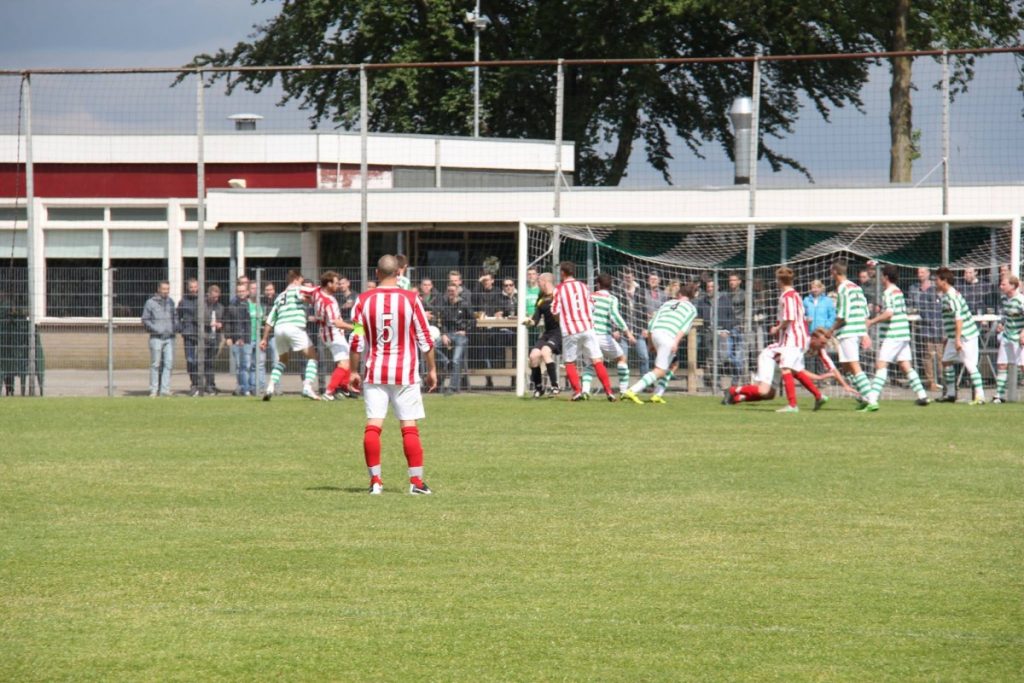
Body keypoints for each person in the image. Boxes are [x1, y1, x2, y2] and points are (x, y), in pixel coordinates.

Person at [349, 254, 438, 495]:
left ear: (376, 274)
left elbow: (356, 339)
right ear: (399, 273)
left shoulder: (363, 300)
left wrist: (353, 371)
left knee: (373, 425)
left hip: (374, 372)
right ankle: (416, 483)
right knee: (408, 426)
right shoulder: (411, 299)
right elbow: (425, 338)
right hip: (405, 373)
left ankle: (375, 481)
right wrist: (432, 369)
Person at [724, 328, 852, 407]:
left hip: (779, 365)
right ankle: (734, 390)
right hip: (770, 358)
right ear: (813, 338)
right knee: (763, 390)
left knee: (769, 395)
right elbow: (799, 373)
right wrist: (819, 379)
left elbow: (833, 369)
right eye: (822, 343)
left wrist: (845, 385)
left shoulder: (817, 349)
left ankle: (738, 398)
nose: (823, 346)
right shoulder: (800, 344)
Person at [862, 265, 932, 410]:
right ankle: (922, 395)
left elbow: (889, 313)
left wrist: (871, 321)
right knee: (905, 365)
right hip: (903, 333)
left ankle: (872, 400)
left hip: (893, 334)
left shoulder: (888, 292)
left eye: (882, 275)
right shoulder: (897, 290)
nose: (880, 278)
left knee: (881, 365)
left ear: (886, 277)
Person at [622, 282, 698, 404]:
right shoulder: (691, 309)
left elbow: (652, 322)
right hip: (668, 337)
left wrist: (651, 343)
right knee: (660, 370)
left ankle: (657, 394)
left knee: (674, 364)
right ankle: (631, 391)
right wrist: (676, 342)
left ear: (679, 294)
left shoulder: (667, 303)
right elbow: (683, 328)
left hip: (656, 333)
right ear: (692, 296)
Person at [552, 261, 617, 401]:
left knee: (570, 361)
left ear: (563, 273)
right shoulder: (584, 287)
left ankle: (577, 392)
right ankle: (609, 392)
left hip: (570, 330)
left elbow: (555, 310)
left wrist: (561, 319)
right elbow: (592, 307)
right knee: (597, 360)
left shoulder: (559, 289)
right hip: (587, 328)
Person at [766, 267, 827, 413]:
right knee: (796, 371)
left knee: (785, 368)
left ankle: (792, 405)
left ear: (780, 280)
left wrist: (777, 328)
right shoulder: (796, 295)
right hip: (800, 337)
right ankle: (819, 396)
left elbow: (789, 318)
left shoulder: (787, 296)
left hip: (792, 338)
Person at [259, 270, 320, 400]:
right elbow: (314, 292)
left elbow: (270, 319)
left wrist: (264, 338)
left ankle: (270, 387)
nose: (303, 284)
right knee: (313, 357)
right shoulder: (298, 289)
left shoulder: (280, 296)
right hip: (294, 326)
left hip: (279, 329)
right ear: (296, 279)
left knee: (283, 360)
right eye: (302, 281)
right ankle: (307, 387)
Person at [934, 267, 985, 404]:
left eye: (937, 280)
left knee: (969, 364)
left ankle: (980, 396)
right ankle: (951, 394)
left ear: (944, 281)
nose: (935, 282)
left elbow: (959, 318)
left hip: (965, 335)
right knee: (946, 361)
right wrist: (949, 336)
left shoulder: (952, 296)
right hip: (955, 336)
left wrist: (957, 339)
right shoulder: (945, 295)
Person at [583, 273, 636, 396]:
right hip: (602, 335)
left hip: (589, 335)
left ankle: (585, 391)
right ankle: (623, 391)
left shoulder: (589, 297)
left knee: (590, 363)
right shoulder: (611, 299)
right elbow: (615, 316)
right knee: (622, 359)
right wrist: (628, 333)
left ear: (598, 284)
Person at [829, 261, 872, 403]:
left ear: (835, 272)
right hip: (856, 329)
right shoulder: (856, 287)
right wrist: (864, 332)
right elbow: (865, 311)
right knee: (846, 365)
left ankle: (871, 399)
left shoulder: (842, 288)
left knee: (854, 365)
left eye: (831, 271)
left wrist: (831, 329)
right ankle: (862, 397)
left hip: (848, 331)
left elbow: (843, 314)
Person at [312, 271, 356, 400]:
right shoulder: (328, 301)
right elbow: (336, 322)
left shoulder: (318, 293)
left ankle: (344, 388)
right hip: (333, 334)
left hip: (327, 332)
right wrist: (356, 328)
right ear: (329, 284)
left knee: (347, 359)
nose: (338, 286)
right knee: (343, 363)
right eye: (336, 283)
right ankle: (329, 392)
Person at [523, 272, 562, 397]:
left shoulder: (558, 295)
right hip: (547, 333)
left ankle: (555, 386)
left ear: (545, 281)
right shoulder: (541, 299)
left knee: (545, 352)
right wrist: (529, 322)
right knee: (534, 356)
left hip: (559, 332)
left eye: (539, 281)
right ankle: (539, 388)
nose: (538, 283)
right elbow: (535, 319)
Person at [908, 267, 943, 391]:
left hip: (939, 327)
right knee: (927, 355)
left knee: (940, 356)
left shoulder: (937, 290)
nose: (920, 274)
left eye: (923, 272)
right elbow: (914, 307)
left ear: (928, 273)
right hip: (925, 327)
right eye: (918, 272)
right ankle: (931, 382)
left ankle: (944, 381)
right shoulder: (915, 289)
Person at [141, 280, 176, 397]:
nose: (166, 292)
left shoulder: (171, 302)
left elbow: (174, 317)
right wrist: (155, 329)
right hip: (156, 338)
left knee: (168, 364)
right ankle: (153, 389)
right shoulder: (150, 303)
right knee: (155, 364)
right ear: (159, 289)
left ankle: (164, 390)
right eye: (164, 289)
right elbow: (145, 319)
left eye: (168, 289)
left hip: (169, 338)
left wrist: (174, 328)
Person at [438, 283, 474, 394]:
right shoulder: (444, 304)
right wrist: (443, 334)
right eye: (449, 291)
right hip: (448, 334)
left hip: (460, 336)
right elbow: (441, 321)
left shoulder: (464, 304)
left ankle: (452, 387)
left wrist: (465, 330)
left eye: (453, 291)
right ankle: (445, 361)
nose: (451, 293)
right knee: (431, 345)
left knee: (456, 360)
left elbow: (473, 321)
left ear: (458, 291)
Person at [993, 274, 1024, 403]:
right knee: (1002, 364)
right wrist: (1001, 323)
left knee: (1022, 366)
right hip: (1007, 335)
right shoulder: (1004, 299)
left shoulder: (1021, 300)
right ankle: (999, 396)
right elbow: (1005, 314)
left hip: (1019, 336)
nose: (1001, 286)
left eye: (1004, 284)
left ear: (1012, 285)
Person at [223, 282, 255, 396]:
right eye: (239, 291)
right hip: (235, 339)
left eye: (243, 291)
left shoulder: (250, 305)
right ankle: (242, 387)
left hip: (246, 340)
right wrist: (228, 337)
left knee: (246, 365)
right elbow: (227, 323)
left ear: (247, 292)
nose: (241, 293)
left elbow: (248, 325)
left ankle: (247, 388)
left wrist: (243, 338)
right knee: (238, 366)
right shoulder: (231, 306)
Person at [177, 278, 203, 397]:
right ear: (188, 288)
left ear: (198, 287)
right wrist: (181, 327)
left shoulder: (203, 300)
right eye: (191, 287)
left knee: (201, 360)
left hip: (201, 334)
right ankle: (194, 383)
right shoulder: (183, 301)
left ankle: (201, 385)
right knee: (190, 360)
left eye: (195, 287)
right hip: (188, 334)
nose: (193, 289)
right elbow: (177, 316)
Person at [201, 285, 225, 395]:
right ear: (208, 294)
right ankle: (205, 385)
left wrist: (221, 324)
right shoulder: (203, 306)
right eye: (214, 297)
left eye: (217, 297)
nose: (216, 299)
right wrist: (209, 323)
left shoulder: (220, 307)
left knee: (211, 362)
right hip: (205, 337)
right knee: (205, 362)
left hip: (216, 337)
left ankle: (211, 384)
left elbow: (224, 319)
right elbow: (200, 319)